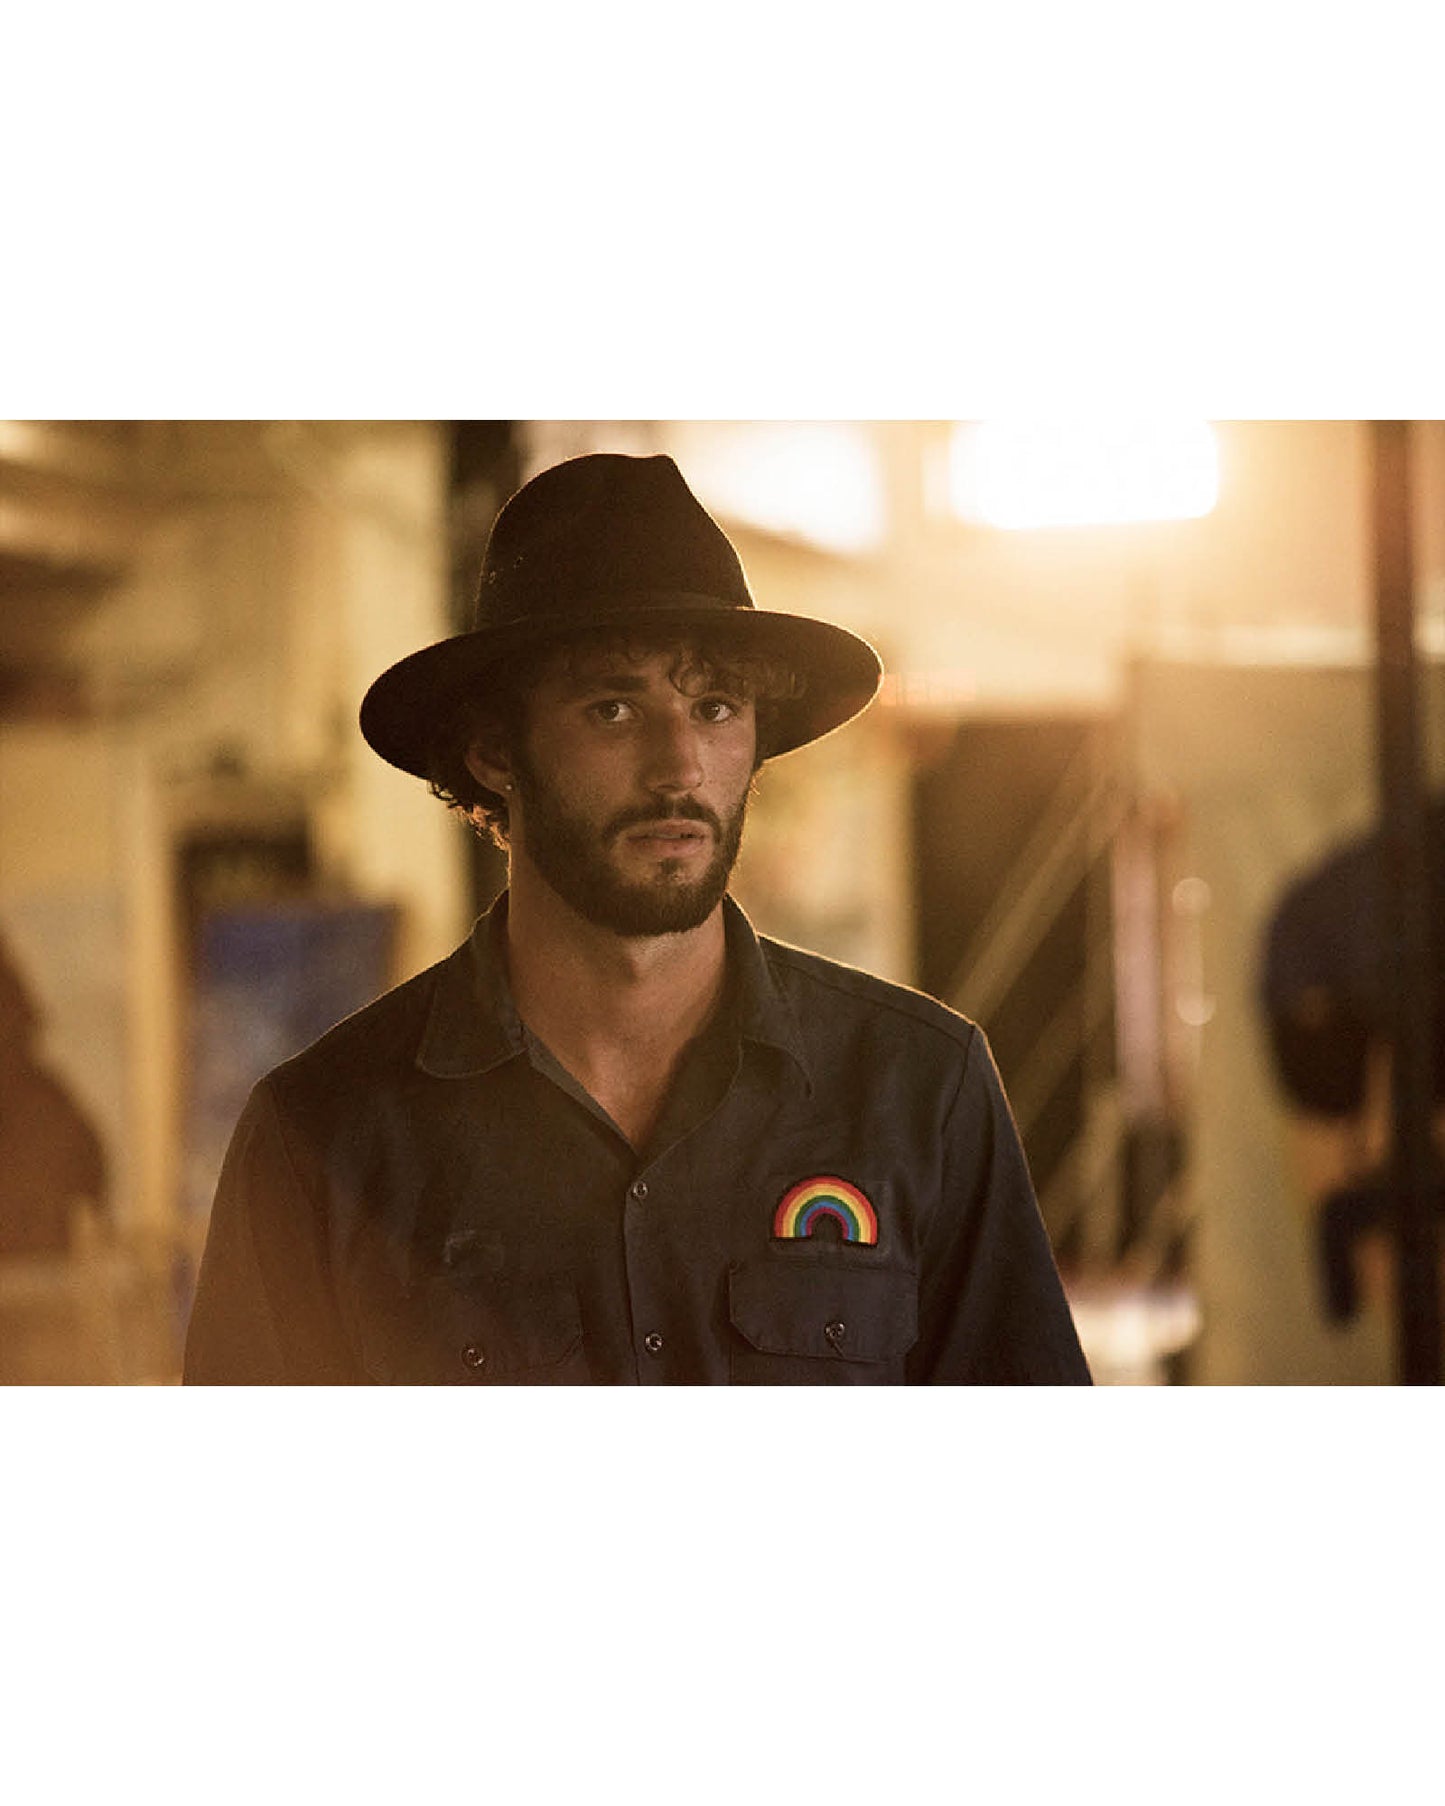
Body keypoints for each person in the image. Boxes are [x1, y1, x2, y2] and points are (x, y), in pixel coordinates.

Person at [184, 452, 1090, 1384]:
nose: (681, 767)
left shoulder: (915, 1088)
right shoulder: (325, 1138)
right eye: (612, 708)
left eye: (714, 707)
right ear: (496, 751)